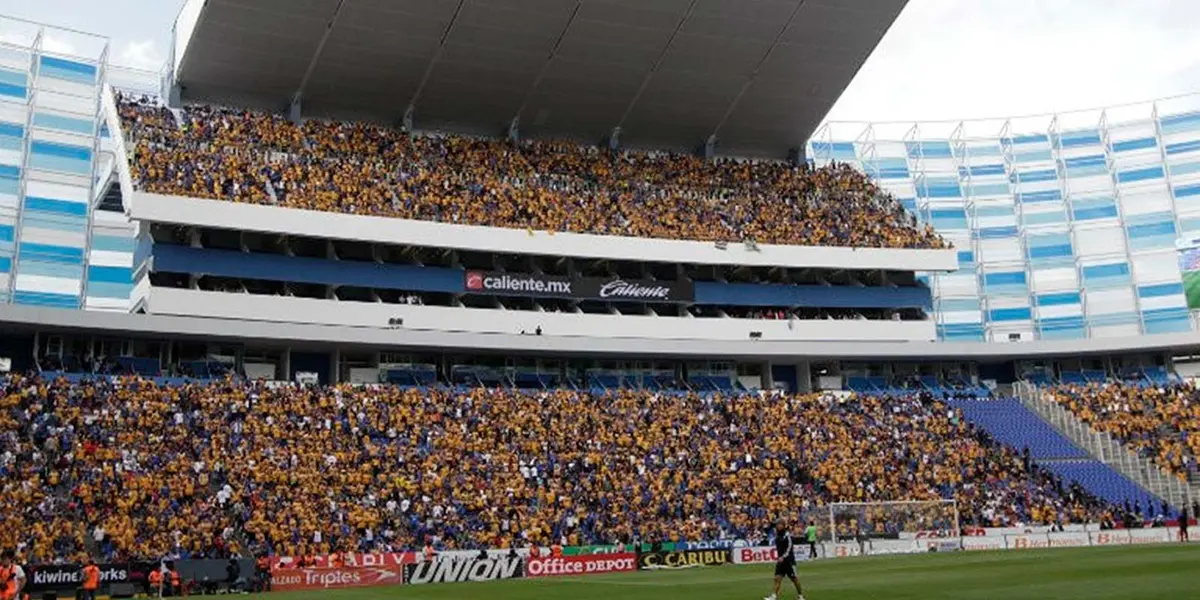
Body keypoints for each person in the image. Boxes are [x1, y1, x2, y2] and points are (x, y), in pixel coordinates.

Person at [765, 522, 805, 600]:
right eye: (777, 525)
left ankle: (800, 596)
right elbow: (766, 530)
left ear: (783, 526)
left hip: (789, 561)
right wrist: (771, 523)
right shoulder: (777, 534)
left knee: (794, 579)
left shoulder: (787, 535)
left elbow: (790, 547)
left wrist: (783, 556)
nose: (778, 526)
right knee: (777, 578)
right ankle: (774, 596)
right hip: (781, 561)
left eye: (780, 525)